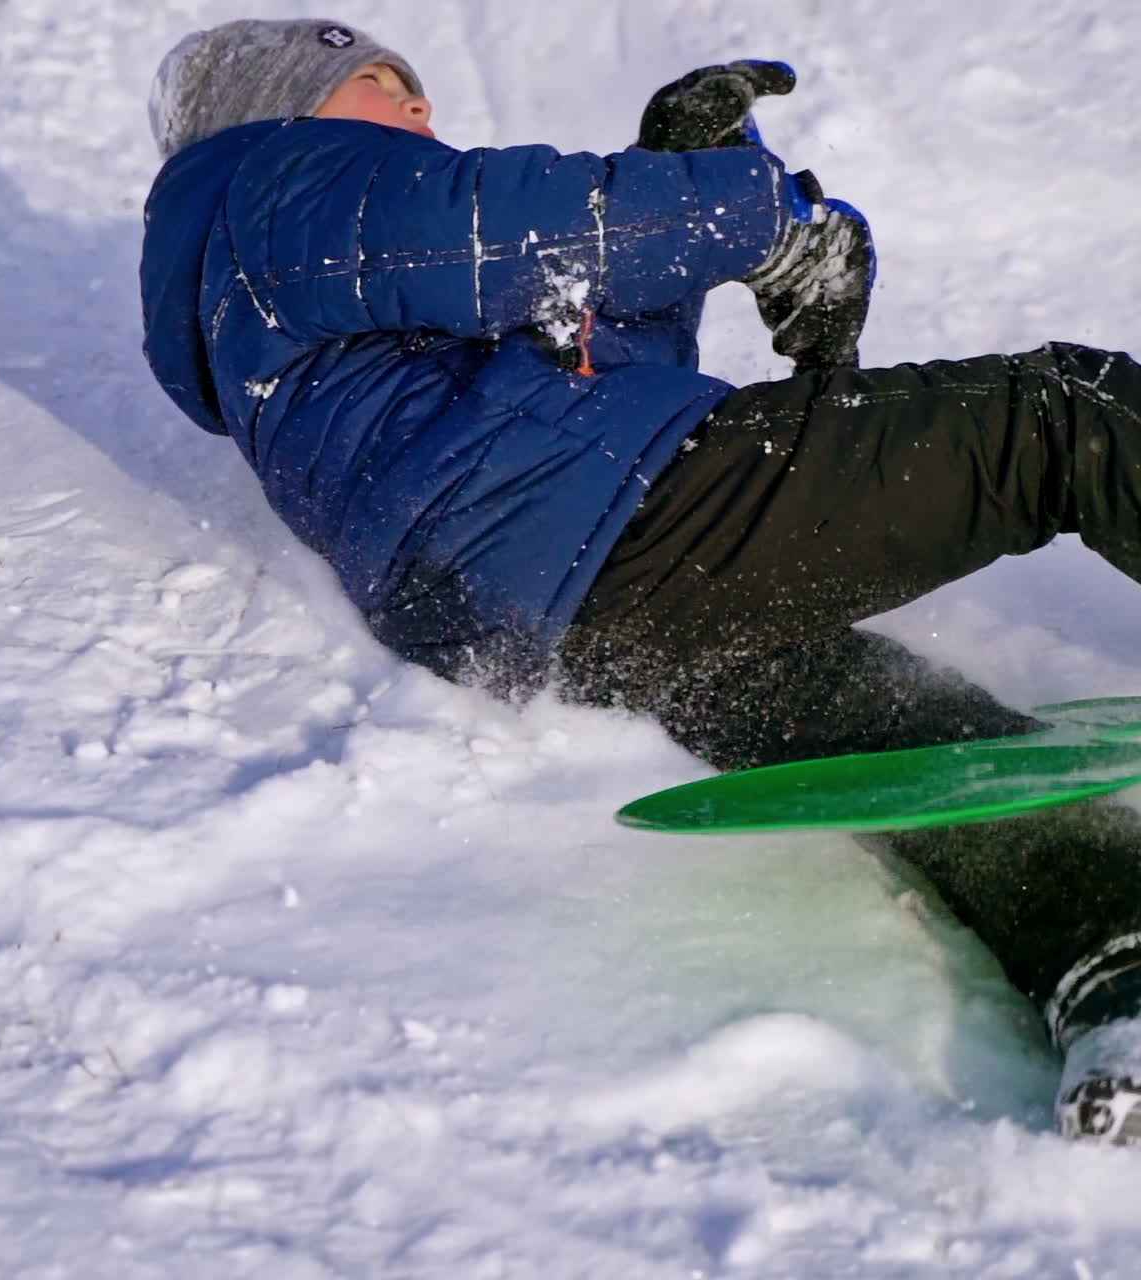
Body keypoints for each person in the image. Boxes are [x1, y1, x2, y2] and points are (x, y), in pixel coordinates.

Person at [139, 17, 1141, 1143]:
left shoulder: (287, 314)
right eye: (376, 85)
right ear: (281, 107)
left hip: (585, 610)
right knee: (1064, 418)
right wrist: (755, 211)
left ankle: (1116, 975)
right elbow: (523, 225)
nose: (418, 111)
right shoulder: (284, 182)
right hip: (623, 524)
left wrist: (672, 180)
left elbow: (596, 379)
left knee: (917, 751)